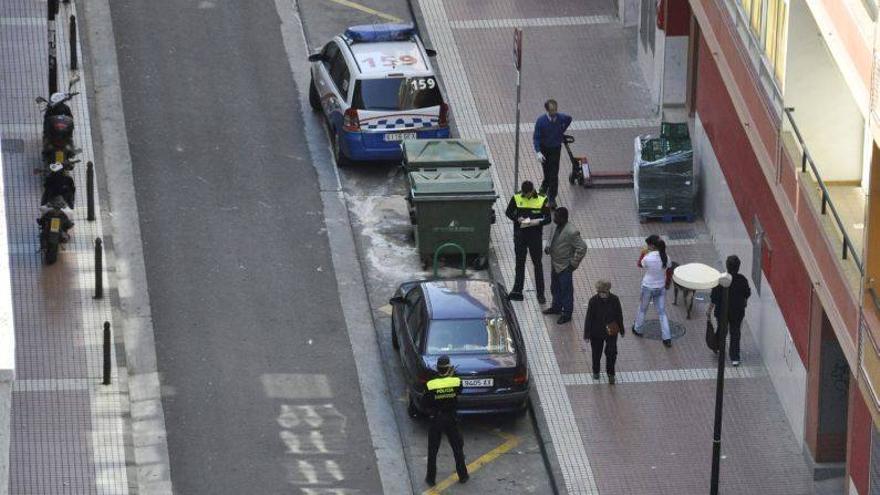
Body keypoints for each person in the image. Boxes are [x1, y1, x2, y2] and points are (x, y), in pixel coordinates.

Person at [424, 355, 468, 486]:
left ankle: (430, 479)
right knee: (457, 448)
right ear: (449, 368)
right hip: (451, 418)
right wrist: (452, 375)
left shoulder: (431, 384)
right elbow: (460, 390)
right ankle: (463, 476)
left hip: (436, 418)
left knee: (432, 450)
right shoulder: (455, 381)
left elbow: (425, 402)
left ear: (437, 368)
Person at [505, 180, 551, 303]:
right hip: (520, 236)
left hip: (535, 237)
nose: (526, 196)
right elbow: (508, 212)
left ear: (532, 190)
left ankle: (540, 294)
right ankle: (517, 289)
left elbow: (548, 219)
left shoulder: (542, 199)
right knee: (519, 263)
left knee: (537, 264)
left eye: (528, 194)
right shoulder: (516, 197)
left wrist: (537, 222)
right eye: (524, 194)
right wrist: (517, 218)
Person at [542, 207, 586, 324]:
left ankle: (567, 313)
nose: (554, 218)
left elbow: (582, 247)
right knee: (555, 287)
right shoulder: (555, 226)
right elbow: (552, 238)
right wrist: (548, 247)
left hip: (565, 266)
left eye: (556, 217)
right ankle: (556, 307)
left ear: (563, 218)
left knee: (566, 290)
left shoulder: (572, 232)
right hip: (555, 263)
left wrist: (573, 263)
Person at [708, 255, 751, 366]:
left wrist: (709, 310)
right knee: (735, 333)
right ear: (738, 267)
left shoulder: (721, 280)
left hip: (722, 311)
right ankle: (734, 357)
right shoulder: (742, 280)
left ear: (727, 266)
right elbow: (747, 293)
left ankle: (717, 346)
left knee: (722, 330)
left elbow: (714, 297)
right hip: (737, 312)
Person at [633, 235, 673, 347]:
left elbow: (639, 264)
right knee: (662, 312)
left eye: (648, 245)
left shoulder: (648, 258)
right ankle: (667, 337)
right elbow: (669, 271)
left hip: (647, 286)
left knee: (642, 309)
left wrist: (642, 253)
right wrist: (667, 284)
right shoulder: (666, 257)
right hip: (660, 287)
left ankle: (638, 329)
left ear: (652, 246)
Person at [532, 99, 572, 208]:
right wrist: (538, 152)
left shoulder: (561, 118)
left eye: (555, 110)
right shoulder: (541, 121)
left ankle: (552, 197)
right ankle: (544, 187)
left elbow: (569, 119)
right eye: (552, 110)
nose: (554, 112)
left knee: (554, 174)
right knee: (547, 172)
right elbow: (536, 138)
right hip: (545, 149)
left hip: (555, 149)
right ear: (547, 110)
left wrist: (561, 130)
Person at [584, 280, 625, 383]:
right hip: (596, 332)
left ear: (608, 291)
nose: (601, 294)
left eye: (603, 292)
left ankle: (611, 374)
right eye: (599, 292)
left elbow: (619, 315)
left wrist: (621, 329)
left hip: (611, 330)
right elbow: (589, 318)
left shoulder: (615, 299)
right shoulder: (593, 301)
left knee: (611, 353)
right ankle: (596, 371)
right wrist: (587, 334)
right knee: (596, 353)